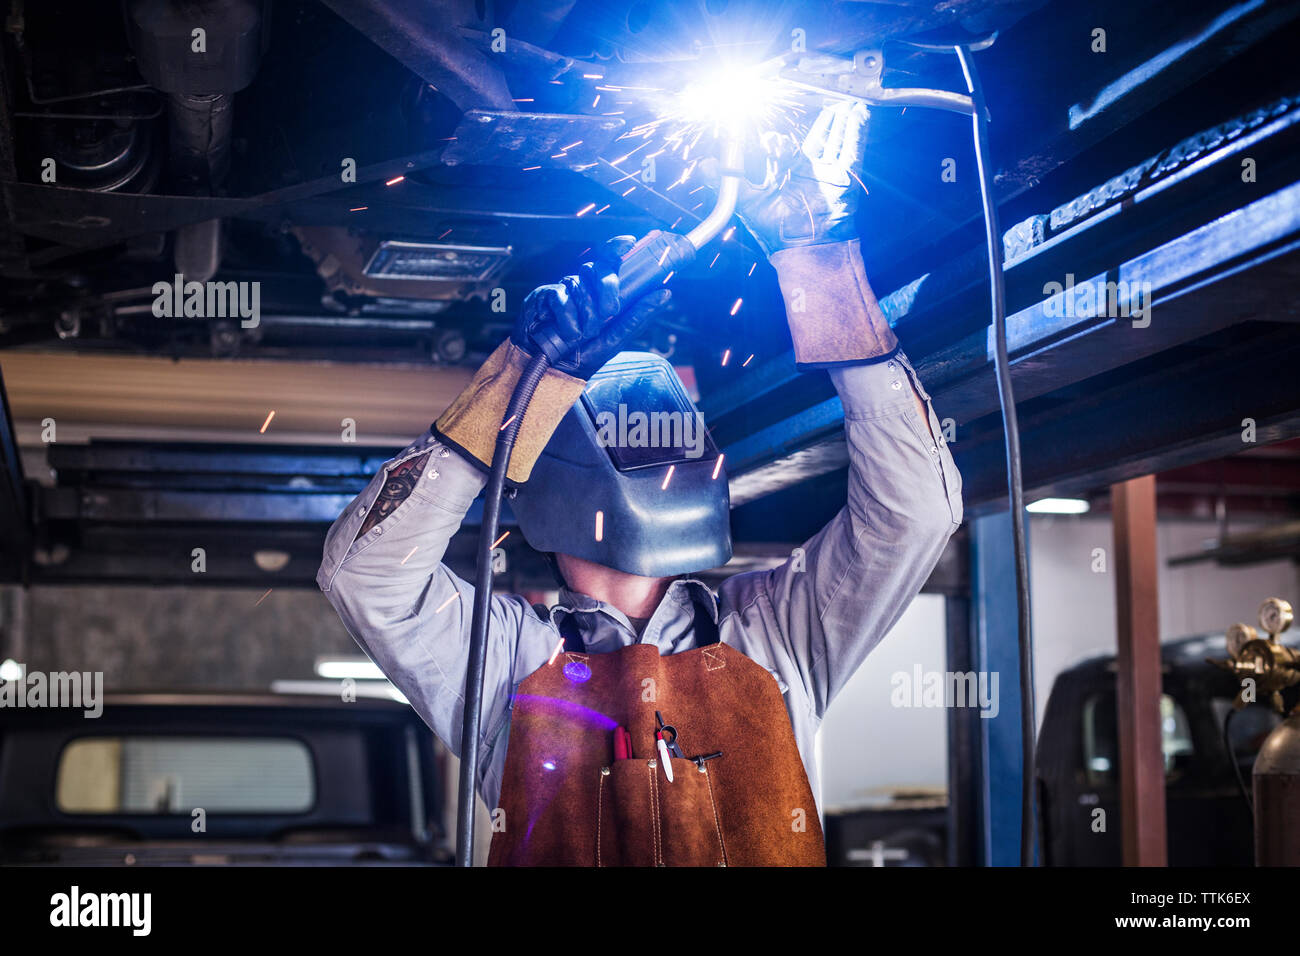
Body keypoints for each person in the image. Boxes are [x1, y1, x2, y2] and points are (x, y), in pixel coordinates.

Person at [317, 103, 962, 865]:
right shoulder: (513, 668)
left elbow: (917, 512)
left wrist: (819, 264)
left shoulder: (775, 635)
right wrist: (519, 379)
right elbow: (363, 577)